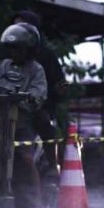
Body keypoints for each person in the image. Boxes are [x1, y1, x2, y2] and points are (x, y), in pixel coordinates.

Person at [0, 22, 47, 208]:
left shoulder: (36, 70)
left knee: (24, 157)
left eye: (18, 48)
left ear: (30, 50)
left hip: (20, 124)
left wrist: (29, 97)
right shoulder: (0, 66)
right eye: (11, 48)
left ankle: (36, 205)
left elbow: (39, 94)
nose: (14, 52)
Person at [12, 10, 67, 177]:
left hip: (38, 107)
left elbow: (60, 85)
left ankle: (52, 165)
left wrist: (46, 101)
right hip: (12, 108)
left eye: (20, 27)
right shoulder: (10, 56)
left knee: (42, 122)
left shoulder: (46, 55)